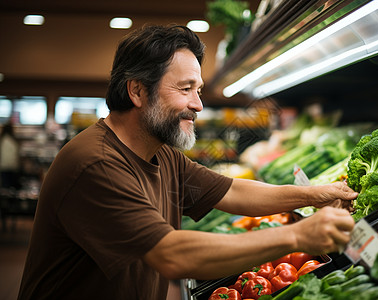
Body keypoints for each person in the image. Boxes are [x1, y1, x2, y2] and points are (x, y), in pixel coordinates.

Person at [18, 25, 357, 300]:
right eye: (185, 88)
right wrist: (298, 236)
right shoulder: (96, 163)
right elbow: (171, 255)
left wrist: (314, 195)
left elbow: (234, 192)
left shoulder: (160, 153)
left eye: (198, 90)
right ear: (137, 91)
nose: (198, 105)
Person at [0, 121, 21, 189]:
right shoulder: (13, 141)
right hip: (12, 166)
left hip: (3, 166)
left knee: (5, 186)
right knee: (11, 186)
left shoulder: (2, 140)